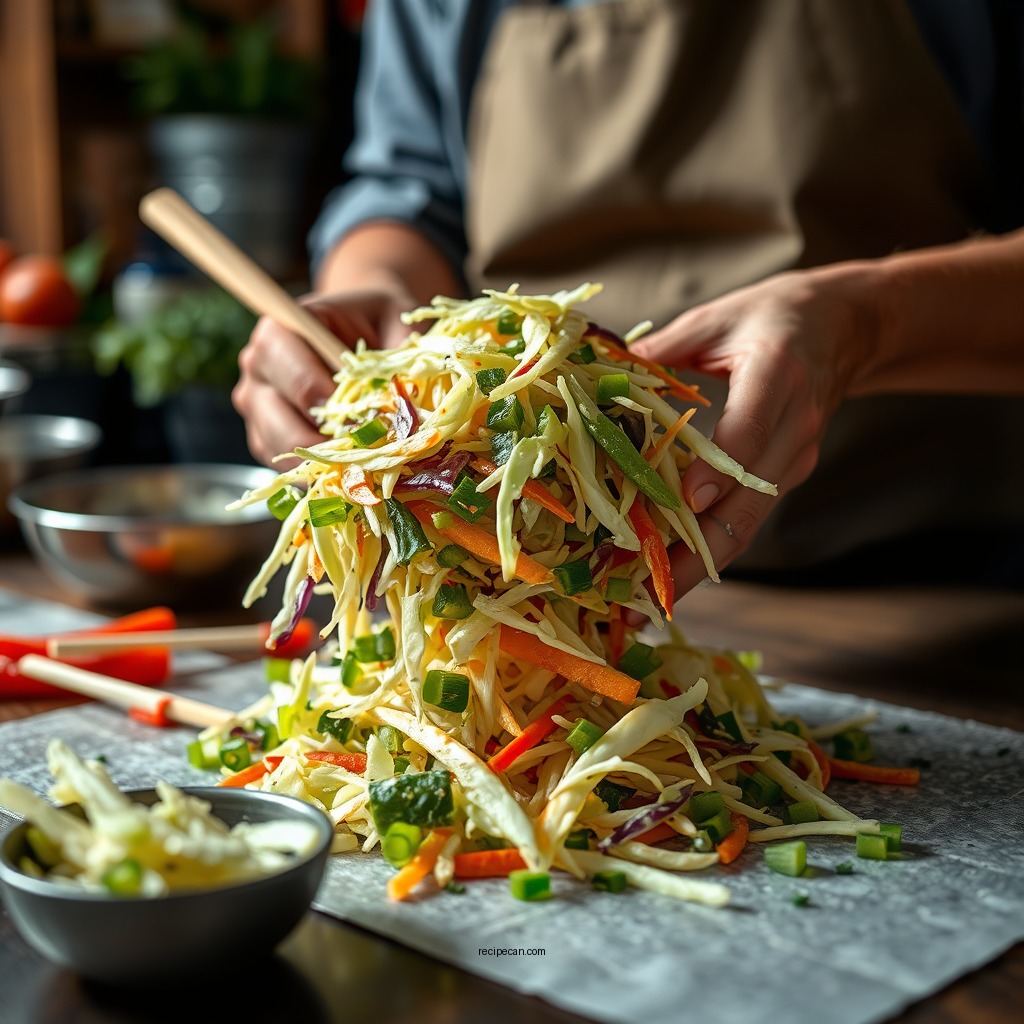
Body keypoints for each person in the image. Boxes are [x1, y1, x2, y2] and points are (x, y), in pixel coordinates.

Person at [233, 0, 1024, 601]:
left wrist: (865, 321)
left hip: (941, 590)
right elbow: (412, 191)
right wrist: (367, 291)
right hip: (550, 585)